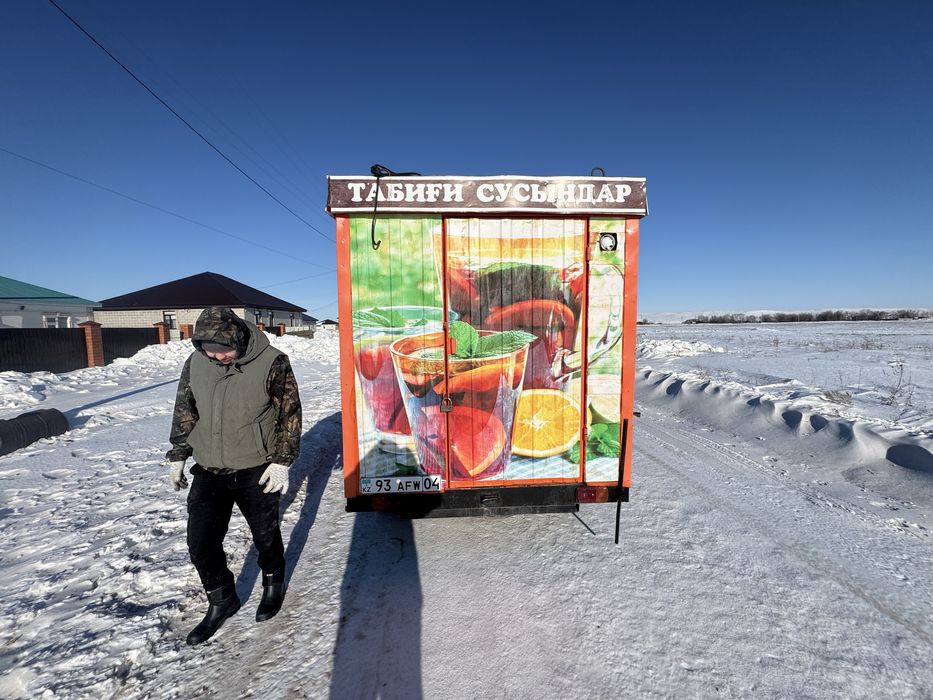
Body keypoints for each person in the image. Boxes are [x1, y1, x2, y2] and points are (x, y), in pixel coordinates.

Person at [166, 306, 302, 646]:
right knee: (200, 542)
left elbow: (289, 412)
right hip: (210, 469)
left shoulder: (273, 361)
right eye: (209, 350)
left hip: (257, 465)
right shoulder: (197, 362)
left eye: (223, 349)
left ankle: (272, 583)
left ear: (238, 337)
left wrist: (282, 460)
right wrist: (179, 454)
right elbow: (185, 407)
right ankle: (222, 598)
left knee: (265, 534)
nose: (217, 357)